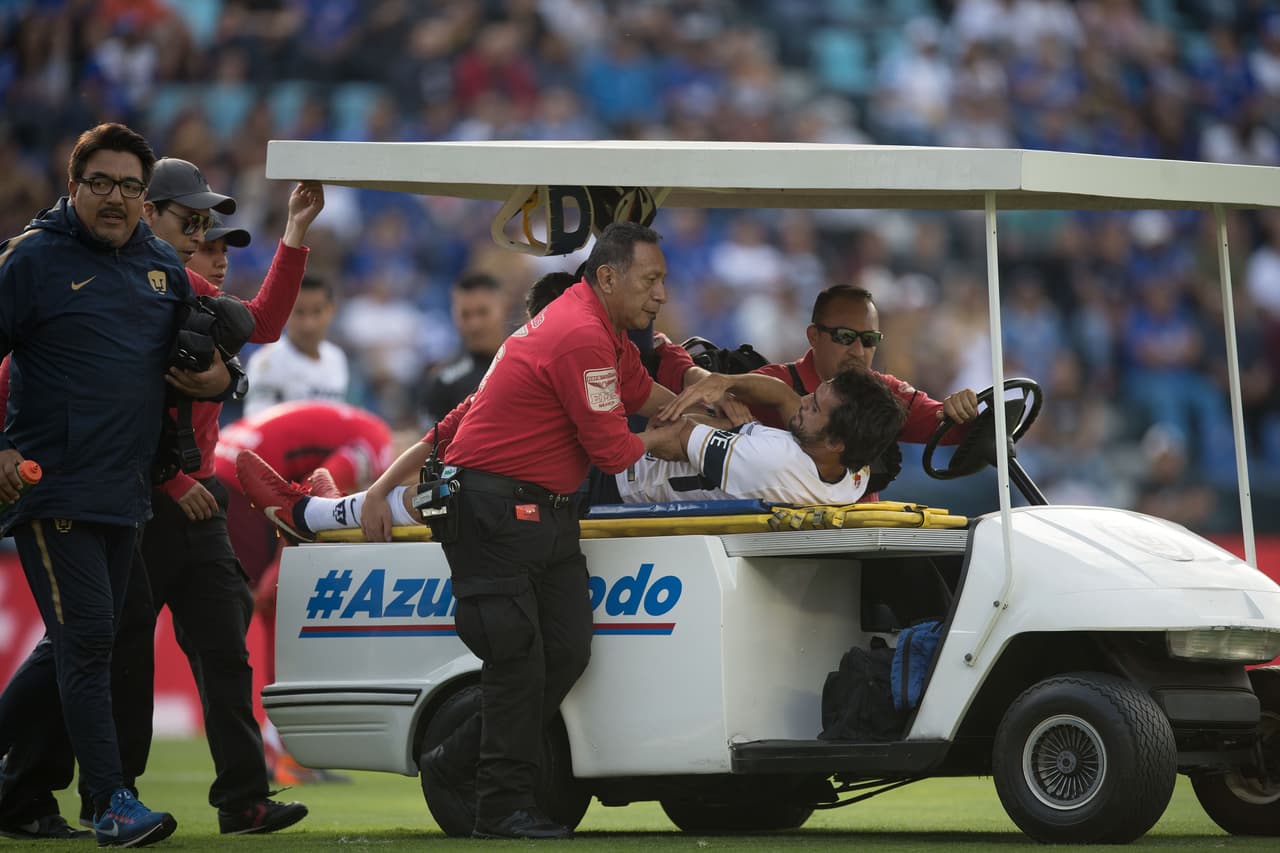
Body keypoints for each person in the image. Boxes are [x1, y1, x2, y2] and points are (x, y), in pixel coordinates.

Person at [237, 224, 687, 839]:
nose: (662, 293)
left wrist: (702, 395)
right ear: (605, 279)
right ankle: (500, 807)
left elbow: (456, 425)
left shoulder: (582, 335)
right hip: (494, 510)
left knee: (565, 651)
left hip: (537, 510)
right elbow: (611, 451)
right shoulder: (578, 335)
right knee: (516, 657)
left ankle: (454, 758)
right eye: (652, 279)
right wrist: (678, 432)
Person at [0, 123, 229, 846]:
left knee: (88, 638)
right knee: (92, 634)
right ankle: (110, 801)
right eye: (100, 183)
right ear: (73, 187)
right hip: (52, 483)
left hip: (126, 489)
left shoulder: (160, 266)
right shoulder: (31, 260)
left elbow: (212, 361)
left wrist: (222, 375)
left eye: (131, 186)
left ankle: (23, 792)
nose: (116, 198)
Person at [127, 158, 322, 835]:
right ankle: (89, 789)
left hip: (197, 496)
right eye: (200, 235)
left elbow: (262, 321)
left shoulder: (184, 293)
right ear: (153, 219)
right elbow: (124, 411)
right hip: (145, 498)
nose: (215, 253)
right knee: (106, 652)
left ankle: (242, 798)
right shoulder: (154, 287)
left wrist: (295, 229)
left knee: (223, 648)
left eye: (220, 241)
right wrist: (172, 477)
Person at [239, 366, 908, 543]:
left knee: (467, 468)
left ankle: (317, 513)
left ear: (837, 438)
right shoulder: (845, 465)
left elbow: (674, 437)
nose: (802, 405)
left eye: (816, 408)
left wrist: (669, 407)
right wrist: (725, 385)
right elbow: (778, 400)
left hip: (612, 482)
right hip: (630, 472)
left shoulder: (771, 463)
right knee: (481, 420)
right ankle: (344, 500)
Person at [214, 399, 393, 784]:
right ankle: (283, 746)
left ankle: (276, 743)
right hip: (236, 479)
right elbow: (322, 482)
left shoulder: (361, 424)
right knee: (279, 598)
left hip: (225, 460)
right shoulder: (380, 447)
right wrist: (284, 566)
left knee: (267, 605)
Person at [655, 284, 982, 494]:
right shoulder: (772, 383)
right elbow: (698, 412)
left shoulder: (884, 395)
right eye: (844, 337)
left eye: (869, 341)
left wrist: (966, 409)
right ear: (814, 336)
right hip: (787, 542)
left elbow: (959, 433)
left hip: (861, 539)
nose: (858, 351)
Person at [243, 275, 349, 416]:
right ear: (285, 313)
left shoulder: (337, 358)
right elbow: (258, 423)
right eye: (299, 312)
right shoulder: (266, 363)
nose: (308, 324)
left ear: (331, 311)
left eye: (317, 312)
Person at [420, 272, 510, 425]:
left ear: (503, 308)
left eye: (483, 312)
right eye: (465, 315)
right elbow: (434, 443)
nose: (474, 324)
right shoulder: (444, 381)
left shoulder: (530, 361)